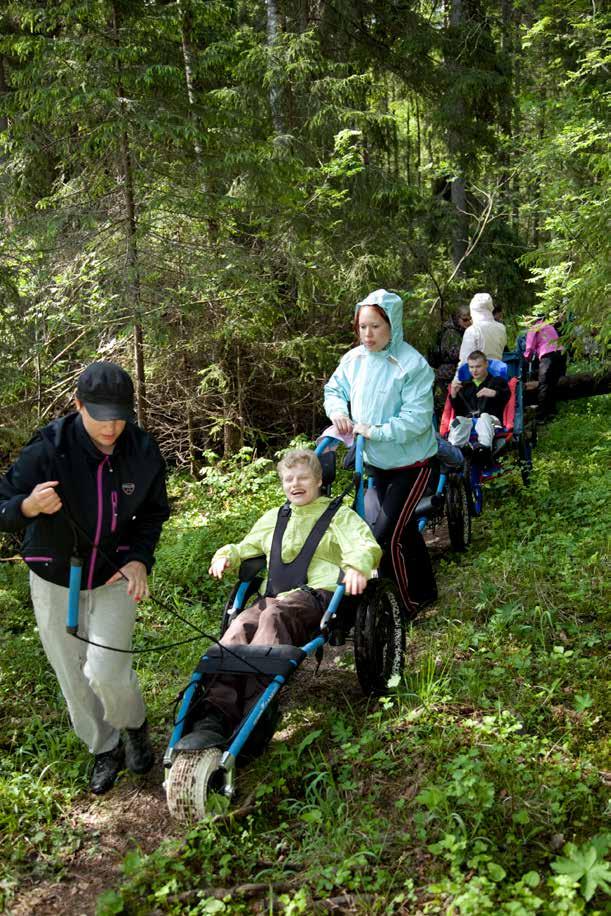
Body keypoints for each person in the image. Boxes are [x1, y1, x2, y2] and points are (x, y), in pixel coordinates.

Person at [0, 362, 170, 795]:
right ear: (77, 405)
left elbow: (153, 513)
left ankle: (132, 727)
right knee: (73, 675)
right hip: (55, 577)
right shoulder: (48, 449)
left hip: (114, 574)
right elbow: (4, 504)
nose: (111, 426)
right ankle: (103, 747)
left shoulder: (142, 450)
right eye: (100, 414)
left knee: (108, 670)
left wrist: (139, 559)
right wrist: (28, 507)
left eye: (119, 415)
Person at [175, 449, 381, 749]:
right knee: (242, 624)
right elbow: (246, 546)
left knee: (274, 617)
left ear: (319, 480)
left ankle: (254, 709)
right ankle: (215, 713)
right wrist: (226, 555)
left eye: (302, 478)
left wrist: (358, 566)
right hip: (273, 597)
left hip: (316, 597)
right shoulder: (274, 517)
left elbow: (365, 545)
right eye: (288, 479)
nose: (295, 484)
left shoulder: (340, 516)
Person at [323, 288, 438, 614]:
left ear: (393, 324)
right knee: (385, 530)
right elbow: (334, 389)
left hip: (411, 464)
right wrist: (338, 412)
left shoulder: (412, 365)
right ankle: (425, 590)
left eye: (375, 326)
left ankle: (405, 606)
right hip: (373, 463)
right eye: (362, 327)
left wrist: (372, 431)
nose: (368, 334)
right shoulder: (354, 359)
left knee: (387, 536)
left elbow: (415, 421)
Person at [448, 351, 511, 464]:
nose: (474, 370)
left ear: (486, 364)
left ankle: (484, 449)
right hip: (469, 421)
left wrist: (494, 393)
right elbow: (459, 411)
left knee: (484, 417)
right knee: (457, 421)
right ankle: (455, 450)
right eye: (471, 367)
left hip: (493, 422)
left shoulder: (498, 381)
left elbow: (507, 397)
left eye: (478, 366)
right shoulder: (465, 386)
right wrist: (453, 396)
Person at [451, 293, 507, 398]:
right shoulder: (501, 328)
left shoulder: (473, 330)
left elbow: (465, 359)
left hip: (478, 380)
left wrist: (456, 381)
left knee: (474, 411)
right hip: (499, 377)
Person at [523, 321, 567, 422]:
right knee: (554, 383)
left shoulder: (533, 328)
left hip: (548, 355)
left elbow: (529, 347)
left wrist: (527, 358)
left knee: (544, 384)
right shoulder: (548, 325)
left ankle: (542, 415)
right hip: (561, 353)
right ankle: (552, 411)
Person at [432, 306, 472, 411]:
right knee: (447, 407)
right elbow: (455, 354)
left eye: (470, 319)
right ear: (457, 318)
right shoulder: (451, 332)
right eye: (465, 319)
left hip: (452, 374)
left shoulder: (460, 331)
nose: (468, 322)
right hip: (447, 375)